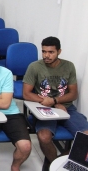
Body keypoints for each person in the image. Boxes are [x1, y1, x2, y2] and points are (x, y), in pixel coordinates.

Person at [23, 36, 88, 170]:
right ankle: (55, 163)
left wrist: (55, 100)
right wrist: (50, 103)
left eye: (51, 52)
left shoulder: (68, 66)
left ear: (59, 51)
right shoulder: (34, 67)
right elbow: (26, 93)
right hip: (44, 109)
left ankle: (62, 159)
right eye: (44, 51)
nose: (46, 55)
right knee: (44, 137)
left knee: (85, 136)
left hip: (66, 108)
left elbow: (73, 93)